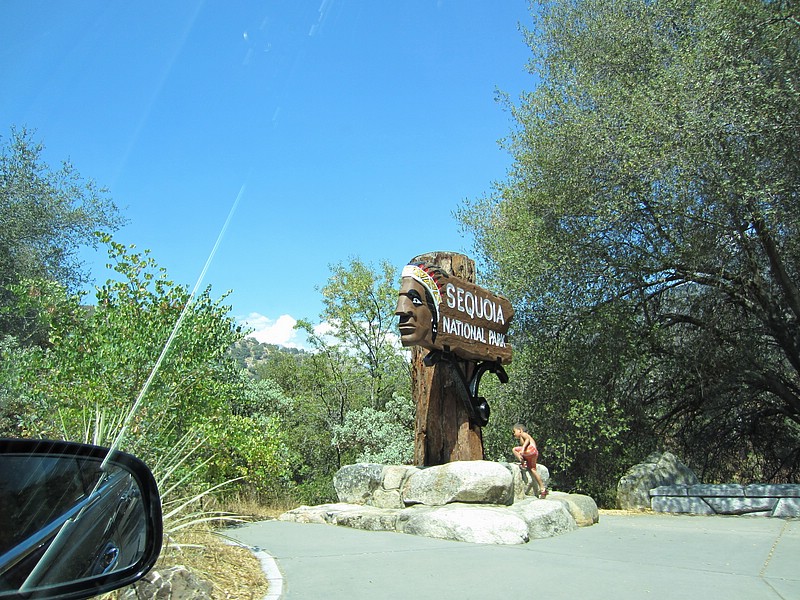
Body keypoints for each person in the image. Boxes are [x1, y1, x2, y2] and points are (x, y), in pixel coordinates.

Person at [512, 424, 547, 498]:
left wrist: (523, 449)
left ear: (520, 430)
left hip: (529, 450)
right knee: (533, 469)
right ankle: (542, 489)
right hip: (534, 453)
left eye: (514, 431)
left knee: (514, 449)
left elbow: (527, 440)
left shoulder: (523, 434)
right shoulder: (522, 436)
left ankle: (522, 462)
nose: (514, 434)